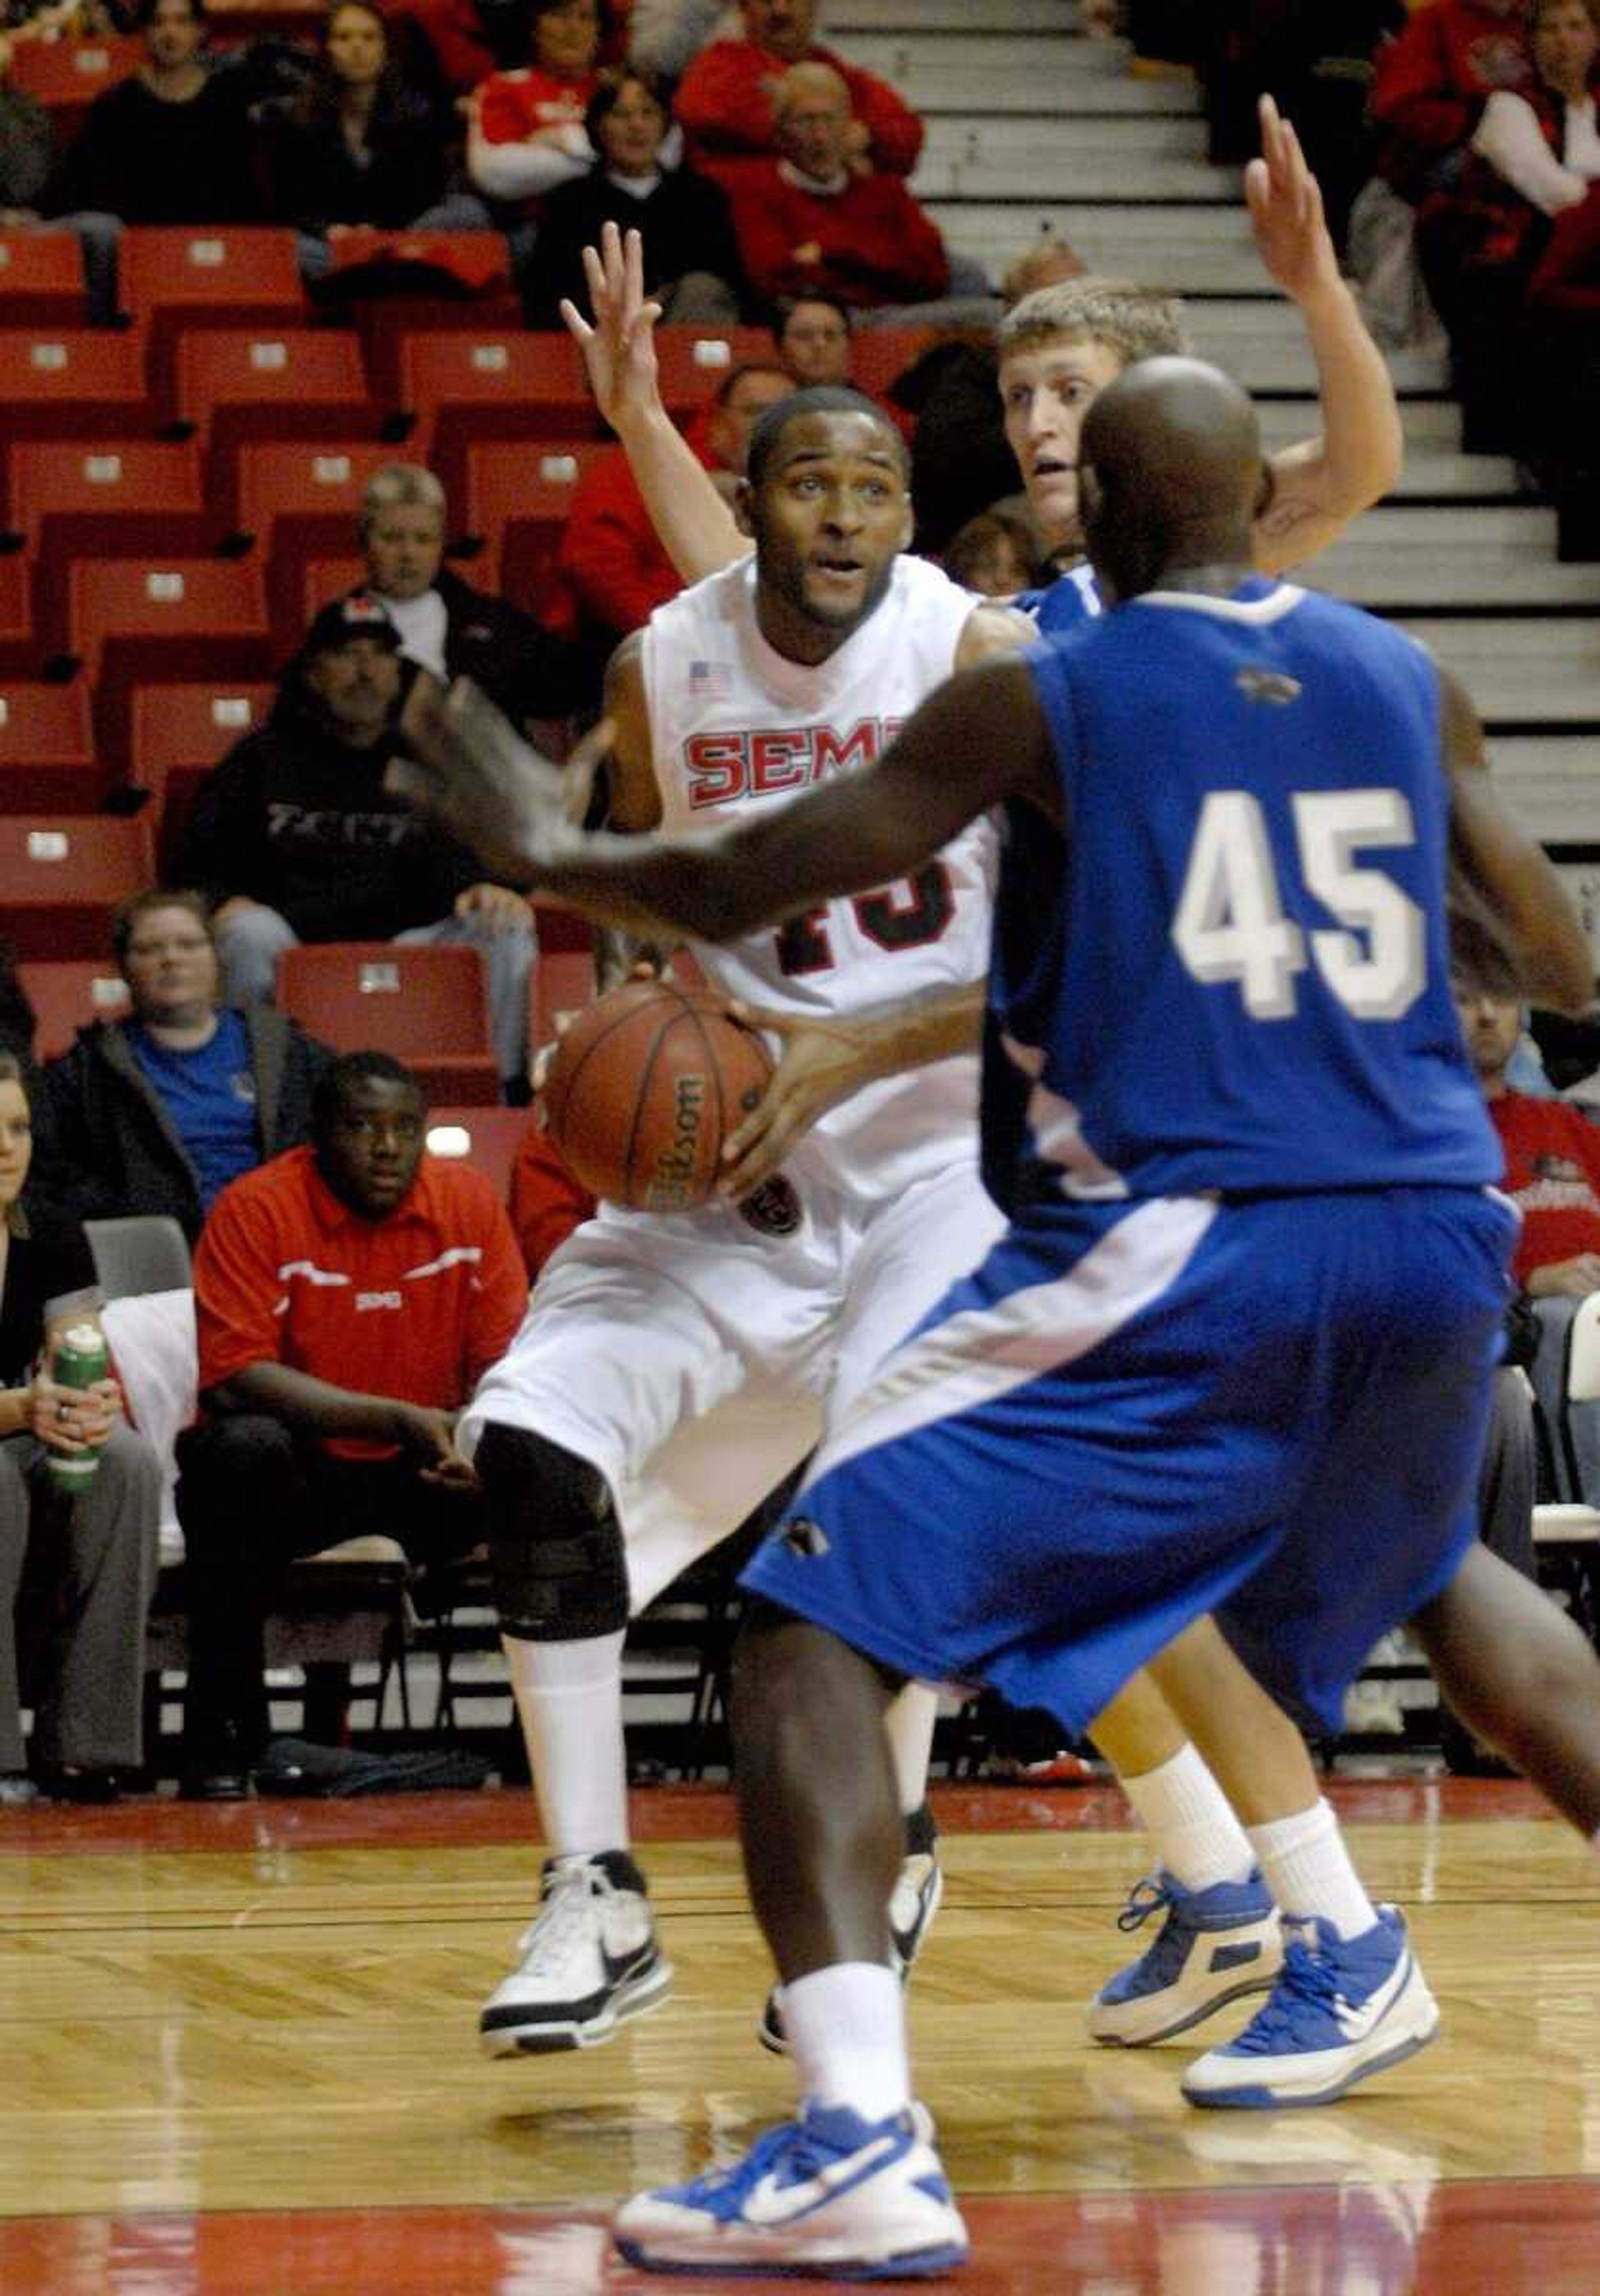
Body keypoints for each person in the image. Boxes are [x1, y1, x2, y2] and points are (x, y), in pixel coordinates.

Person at [391, 354, 1595, 2279]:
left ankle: (858, 2124)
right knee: (1456, 1593)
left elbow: (752, 862)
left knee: (809, 1621)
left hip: (1191, 1233)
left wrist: (557, 852)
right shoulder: (1395, 676)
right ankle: (1296, 1916)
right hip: (1432, 1225)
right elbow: (1554, 954)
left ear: (1093, 523)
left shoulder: (1051, 686)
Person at [406, 383, 1028, 2063]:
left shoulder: (977, 659)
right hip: (742, 1168)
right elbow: (649, 908)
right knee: (530, 1443)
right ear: (748, 507)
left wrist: (852, 1056)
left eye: (875, 487)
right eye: (810, 483)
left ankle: (886, 1849)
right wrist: (633, 1036)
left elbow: (1076, 949)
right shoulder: (662, 666)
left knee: (873, 1516)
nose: (842, 513)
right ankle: (592, 1891)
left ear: (908, 517)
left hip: (937, 1171)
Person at [175, 1050, 528, 1797]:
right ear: (318, 1134)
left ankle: (540, 1744)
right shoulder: (256, 1206)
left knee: (546, 1463)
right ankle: (226, 1741)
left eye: (405, 1127)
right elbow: (236, 1376)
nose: (388, 1146)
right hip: (302, 1471)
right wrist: (397, 1419)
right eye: (363, 1126)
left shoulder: (467, 1202)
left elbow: (509, 1367)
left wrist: (475, 1442)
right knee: (236, 1449)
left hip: (429, 1467)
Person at [175, 592, 538, 1098]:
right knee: (245, 932)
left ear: (397, 672)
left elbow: (489, 848)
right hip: (295, 950)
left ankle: (494, 1093)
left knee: (504, 924)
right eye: (347, 654)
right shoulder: (261, 760)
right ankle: (254, 1095)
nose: (365, 670)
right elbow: (198, 865)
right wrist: (221, 902)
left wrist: (485, 886)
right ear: (314, 672)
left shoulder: (430, 761)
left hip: (411, 952)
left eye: (379, 655)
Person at [0, 1053, 161, 1806]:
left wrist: (84, 1404)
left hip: (16, 1420)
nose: (8, 1147)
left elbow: (77, 1345)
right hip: (4, 1433)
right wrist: (25, 1410)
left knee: (123, 1458)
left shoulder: (51, 1227)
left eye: (19, 1127)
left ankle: (87, 1747)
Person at [36, 891, 331, 1245]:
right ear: (124, 968)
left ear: (216, 957)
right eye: (149, 949)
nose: (172, 959)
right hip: (153, 1257)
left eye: (189, 944)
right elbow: (54, 1175)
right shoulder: (87, 1070)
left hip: (279, 1242)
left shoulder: (290, 1051)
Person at [1457, 924, 1600, 1502]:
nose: (1489, 1015)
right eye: (1466, 1000)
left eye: (1502, 999)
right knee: (1573, 1323)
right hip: (1528, 1319)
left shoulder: (1567, 1122)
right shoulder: (1430, 1135)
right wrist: (1529, 1282)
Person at [542, 359, 793, 652]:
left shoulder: (821, 494)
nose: (773, 425)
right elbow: (595, 567)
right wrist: (671, 643)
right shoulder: (639, 471)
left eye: (789, 413)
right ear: (718, 423)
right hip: (648, 650)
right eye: (756, 411)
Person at [36, 0, 258, 323]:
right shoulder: (115, 105)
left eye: (181, 22)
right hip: (133, 254)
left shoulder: (228, 104)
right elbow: (80, 186)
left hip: (213, 253)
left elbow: (246, 197)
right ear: (145, 32)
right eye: (159, 23)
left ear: (200, 31)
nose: (170, 34)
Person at [250, 0, 478, 287]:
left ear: (386, 50)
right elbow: (289, 202)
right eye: (344, 37)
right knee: (289, 248)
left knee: (468, 213)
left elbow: (424, 194)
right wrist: (331, 231)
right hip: (328, 245)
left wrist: (381, 231)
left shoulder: (417, 115)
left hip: (396, 238)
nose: (357, 47)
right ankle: (364, 275)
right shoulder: (293, 119)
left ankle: (371, 271)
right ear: (326, 49)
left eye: (369, 37)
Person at [355, 463, 591, 735]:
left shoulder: (492, 623)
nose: (409, 554)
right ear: (365, 542)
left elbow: (568, 687)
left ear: (441, 544)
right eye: (392, 538)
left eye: (424, 539)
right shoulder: (337, 632)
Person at [518, 66, 743, 328]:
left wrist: (658, 304)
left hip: (685, 329)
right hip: (601, 336)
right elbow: (549, 294)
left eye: (648, 113)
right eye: (620, 114)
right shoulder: (568, 203)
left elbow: (728, 282)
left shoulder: (702, 197)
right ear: (599, 127)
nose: (636, 125)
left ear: (665, 124)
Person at [729, 62, 954, 322]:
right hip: (814, 321)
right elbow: (772, 280)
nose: (820, 136)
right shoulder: (758, 192)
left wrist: (830, 254)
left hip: (896, 314)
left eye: (831, 119)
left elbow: (934, 274)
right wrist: (881, 266)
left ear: (850, 127)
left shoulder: (885, 190)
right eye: (806, 121)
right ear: (780, 132)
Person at [673, 0, 923, 196]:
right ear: (744, 9)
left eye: (793, 0)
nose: (780, 10)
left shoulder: (837, 71)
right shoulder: (721, 63)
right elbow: (702, 113)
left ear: (813, 8)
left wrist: (870, 134)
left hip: (835, 227)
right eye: (767, 1)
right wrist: (837, 146)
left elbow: (907, 133)